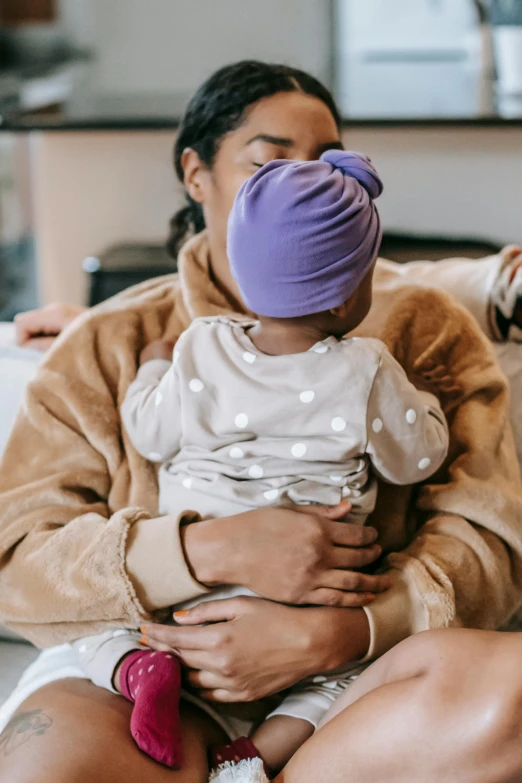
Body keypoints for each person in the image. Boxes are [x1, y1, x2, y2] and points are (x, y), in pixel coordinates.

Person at [0, 61, 522, 783]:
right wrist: (204, 552)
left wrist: (348, 627)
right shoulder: (115, 339)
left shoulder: (418, 326)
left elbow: (492, 537)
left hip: (359, 676)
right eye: (271, 161)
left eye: (324, 164)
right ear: (196, 174)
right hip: (159, 666)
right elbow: (18, 558)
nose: (303, 188)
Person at [72, 150, 448, 778]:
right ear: (349, 295)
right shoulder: (368, 368)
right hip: (313, 601)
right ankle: (248, 761)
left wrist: (154, 366)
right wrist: (424, 401)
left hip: (188, 601)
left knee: (92, 631)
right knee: (342, 684)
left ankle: (139, 668)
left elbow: (147, 429)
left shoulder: (198, 346)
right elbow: (418, 459)